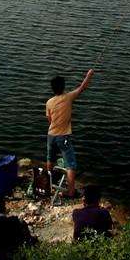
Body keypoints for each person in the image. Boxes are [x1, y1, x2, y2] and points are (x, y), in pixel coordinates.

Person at [45, 69, 94, 198]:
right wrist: (89, 75)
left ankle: (48, 183)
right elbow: (82, 87)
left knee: (50, 159)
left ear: (52, 89)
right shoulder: (68, 97)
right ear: (63, 87)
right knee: (70, 164)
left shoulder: (49, 102)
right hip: (64, 136)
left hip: (51, 135)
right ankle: (71, 192)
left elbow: (49, 119)